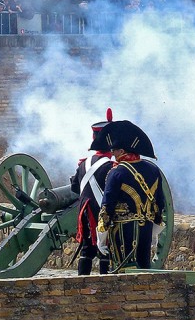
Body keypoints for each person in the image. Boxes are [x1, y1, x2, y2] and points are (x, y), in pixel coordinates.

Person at [94, 120, 167, 271]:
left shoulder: (116, 172)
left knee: (124, 270)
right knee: (144, 268)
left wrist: (101, 236)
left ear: (122, 151)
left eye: (114, 150)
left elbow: (107, 207)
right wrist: (153, 230)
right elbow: (160, 203)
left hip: (123, 230)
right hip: (146, 228)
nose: (112, 154)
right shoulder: (153, 169)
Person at [71, 111, 114, 275]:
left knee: (87, 250)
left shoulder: (83, 164)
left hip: (84, 212)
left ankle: (82, 282)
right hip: (101, 214)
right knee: (105, 248)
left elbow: (75, 188)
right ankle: (105, 284)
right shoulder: (111, 166)